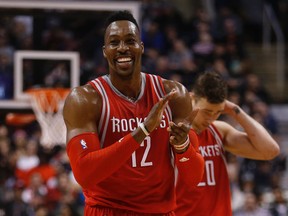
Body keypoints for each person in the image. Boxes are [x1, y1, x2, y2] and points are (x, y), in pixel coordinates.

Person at [63, 10, 204, 216]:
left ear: (141, 47)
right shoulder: (86, 99)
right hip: (107, 209)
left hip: (160, 211)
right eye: (114, 42)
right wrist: (143, 130)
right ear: (104, 51)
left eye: (130, 40)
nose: (122, 48)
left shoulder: (173, 94)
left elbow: (194, 178)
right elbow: (84, 174)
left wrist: (183, 147)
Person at [175, 70, 280, 216]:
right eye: (207, 111)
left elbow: (270, 151)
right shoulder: (175, 133)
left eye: (217, 112)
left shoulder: (219, 131)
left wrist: (235, 110)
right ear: (192, 98)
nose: (211, 118)